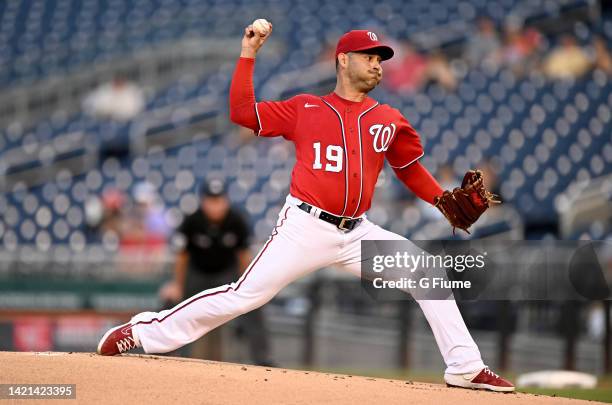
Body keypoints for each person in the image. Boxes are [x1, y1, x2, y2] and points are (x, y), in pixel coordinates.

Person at [98, 24, 514, 392]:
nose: (378, 65)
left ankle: (465, 366)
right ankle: (143, 332)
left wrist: (440, 199)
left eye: (381, 59)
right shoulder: (305, 108)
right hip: (305, 227)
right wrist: (248, 54)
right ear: (343, 60)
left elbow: (409, 168)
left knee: (427, 272)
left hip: (358, 233)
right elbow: (242, 113)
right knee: (242, 297)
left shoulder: (387, 117)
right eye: (369, 57)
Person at [159, 179, 275, 365]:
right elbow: (182, 257)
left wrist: (248, 285)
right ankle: (162, 354)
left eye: (219, 200)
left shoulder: (236, 220)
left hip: (226, 276)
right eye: (211, 201)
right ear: (203, 201)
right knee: (170, 301)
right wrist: (176, 285)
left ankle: (263, 360)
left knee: (255, 305)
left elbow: (243, 256)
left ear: (226, 200)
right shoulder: (192, 221)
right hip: (196, 274)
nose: (215, 206)